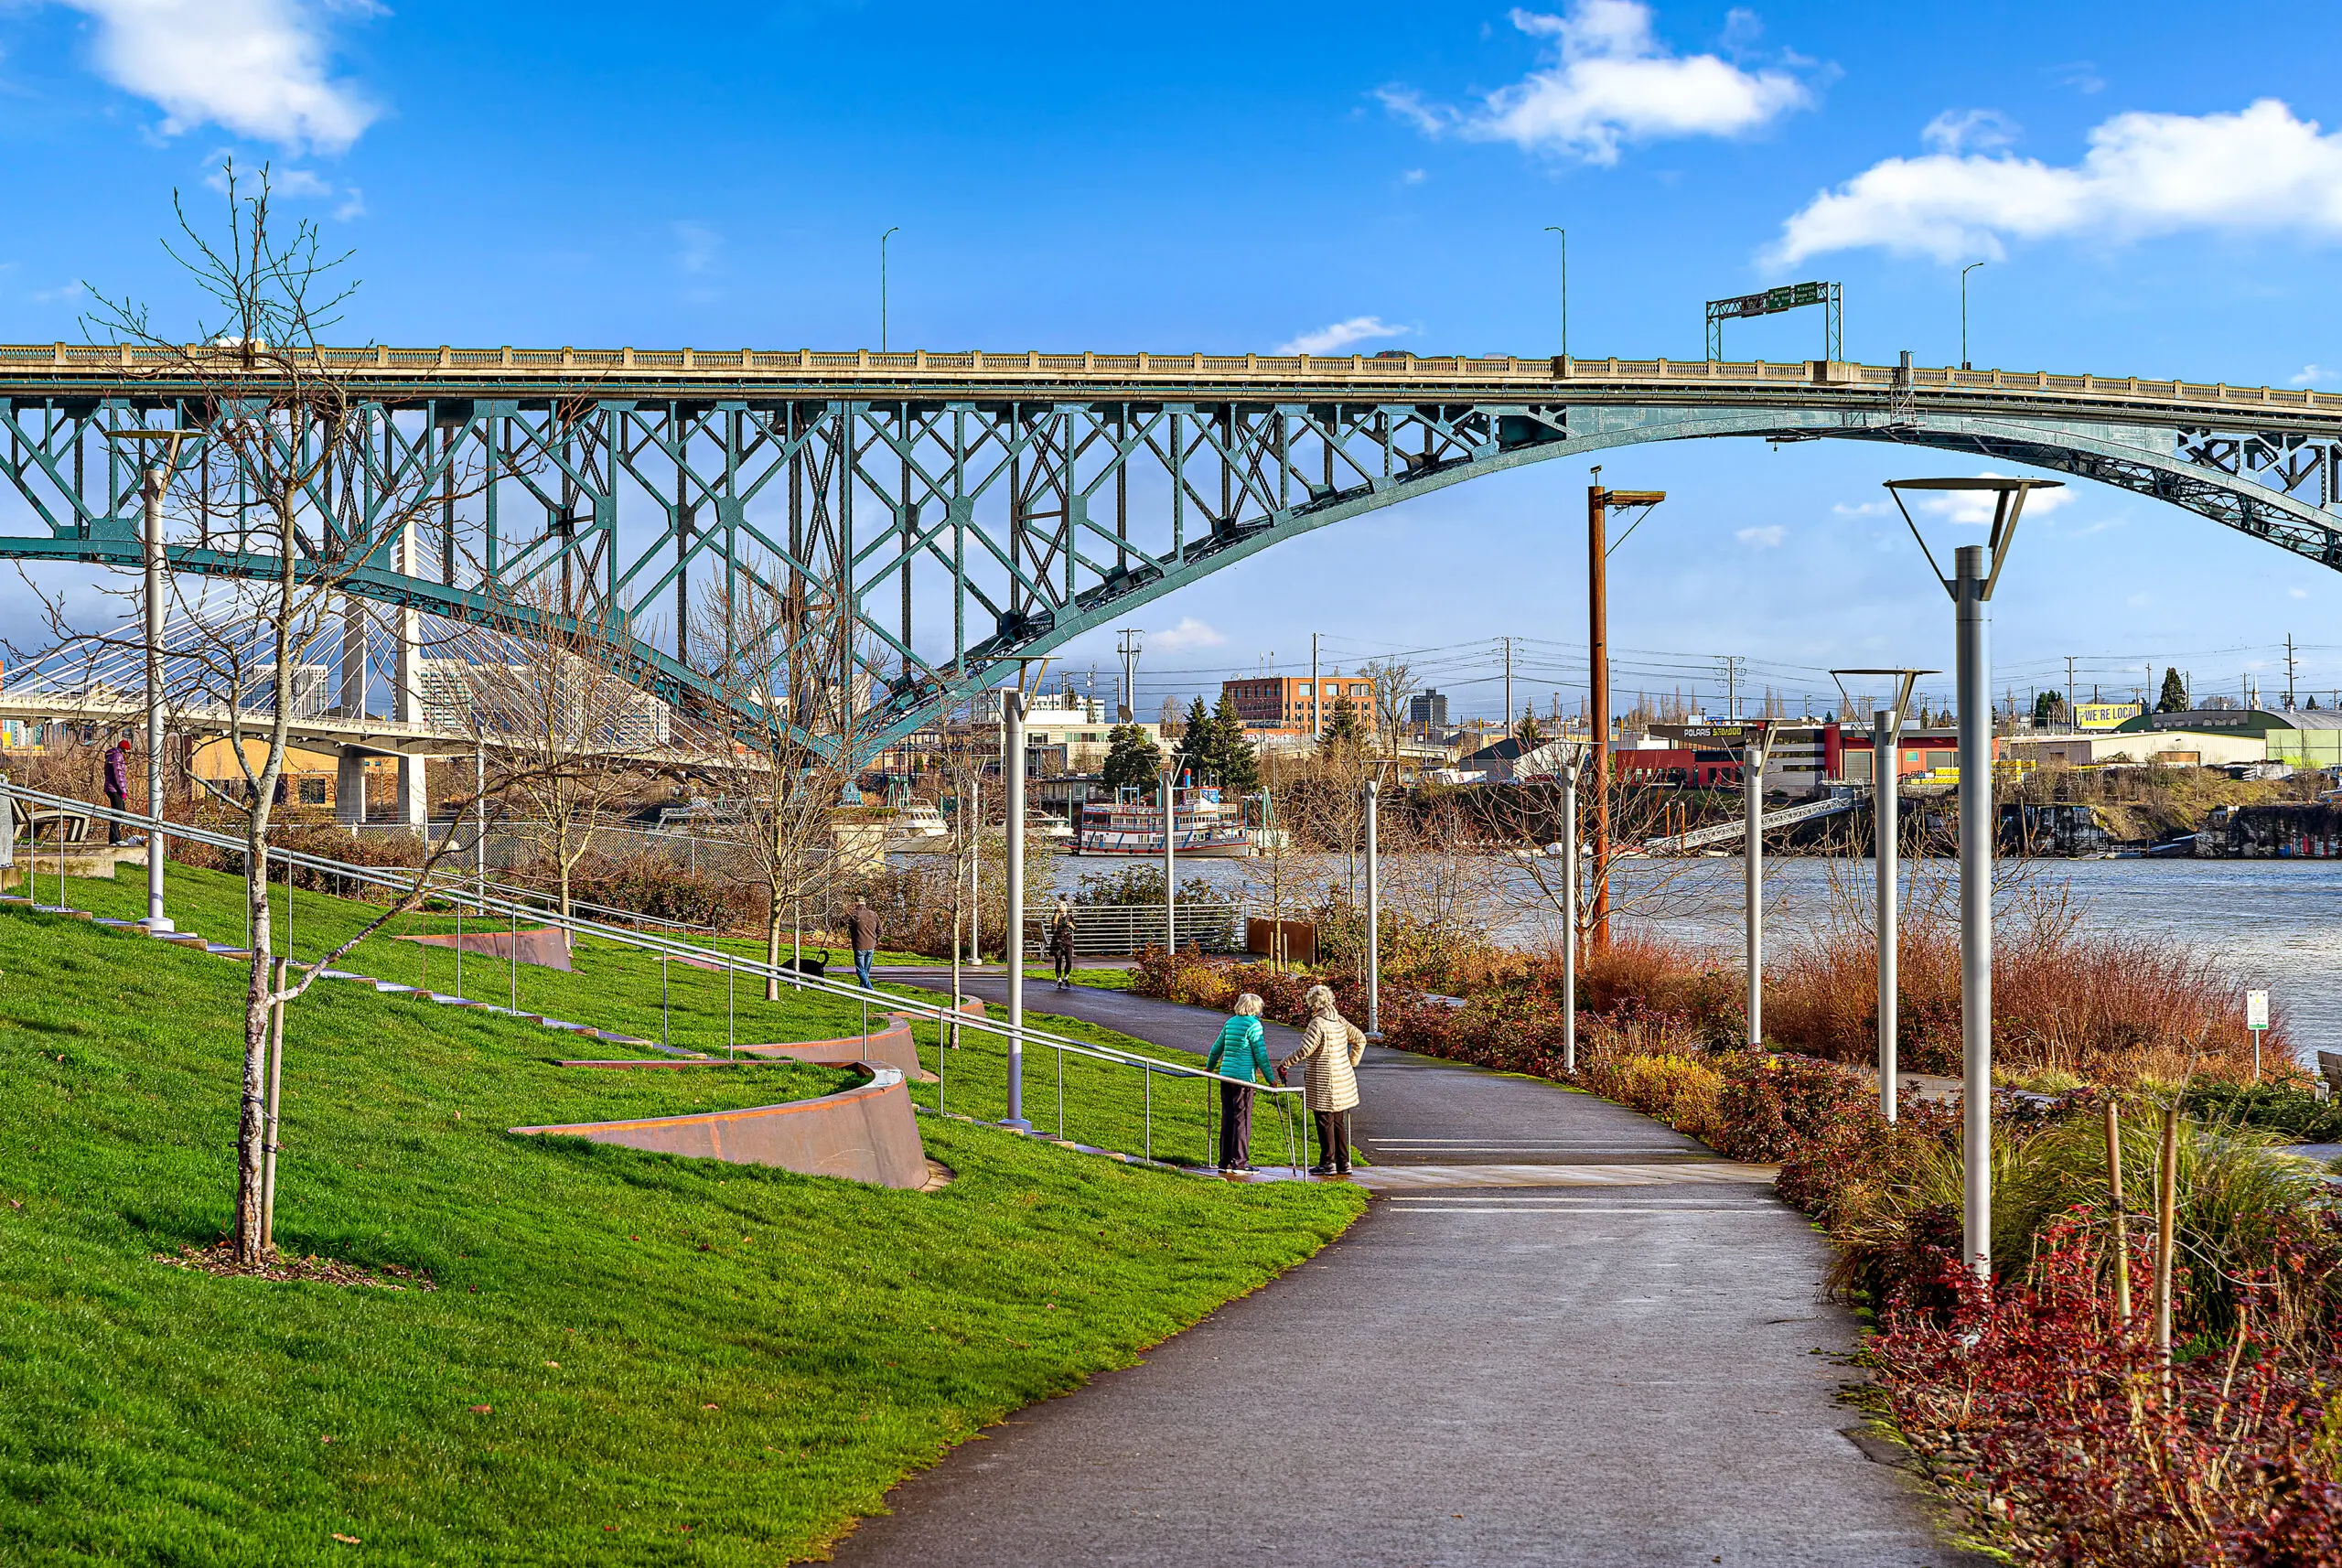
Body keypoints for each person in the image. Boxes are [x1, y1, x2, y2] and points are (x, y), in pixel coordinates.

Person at [1279, 983, 1366, 1176]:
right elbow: (1360, 1039)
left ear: (1314, 1005)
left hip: (1323, 1079)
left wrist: (1285, 1063)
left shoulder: (1318, 1023)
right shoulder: (1339, 1021)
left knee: (1324, 1121)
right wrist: (1351, 1062)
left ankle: (1328, 1164)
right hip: (1343, 1078)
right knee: (1338, 1121)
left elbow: (1306, 1050)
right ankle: (1344, 1163)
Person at [1207, 993, 1273, 1174]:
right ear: (1254, 1008)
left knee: (1228, 1117)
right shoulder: (1254, 1025)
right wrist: (1270, 1079)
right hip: (1244, 1079)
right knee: (1242, 1120)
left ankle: (1225, 1161)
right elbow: (1261, 1055)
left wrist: (1209, 1067)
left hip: (1226, 1076)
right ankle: (1240, 1162)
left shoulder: (1230, 1023)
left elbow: (1216, 1048)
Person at [844, 897, 880, 990]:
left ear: (855, 904)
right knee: (866, 971)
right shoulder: (873, 914)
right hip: (871, 945)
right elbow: (880, 930)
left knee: (860, 971)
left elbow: (841, 923)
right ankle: (862, 989)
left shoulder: (854, 915)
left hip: (859, 945)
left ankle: (870, 989)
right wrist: (876, 939)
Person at [102, 738, 130, 845]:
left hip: (112, 788)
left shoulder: (113, 756)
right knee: (118, 812)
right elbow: (118, 776)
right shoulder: (118, 756)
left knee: (119, 811)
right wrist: (123, 790)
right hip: (115, 789)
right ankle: (115, 839)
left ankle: (115, 837)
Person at [1047, 898, 1077, 991]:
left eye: (1063, 911)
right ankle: (1059, 980)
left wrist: (1072, 926)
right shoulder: (1055, 917)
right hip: (1057, 941)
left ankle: (1066, 977)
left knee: (1069, 961)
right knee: (1058, 961)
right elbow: (1053, 931)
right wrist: (1055, 920)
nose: (1062, 913)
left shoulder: (1070, 917)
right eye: (1060, 911)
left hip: (1067, 941)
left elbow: (1075, 929)